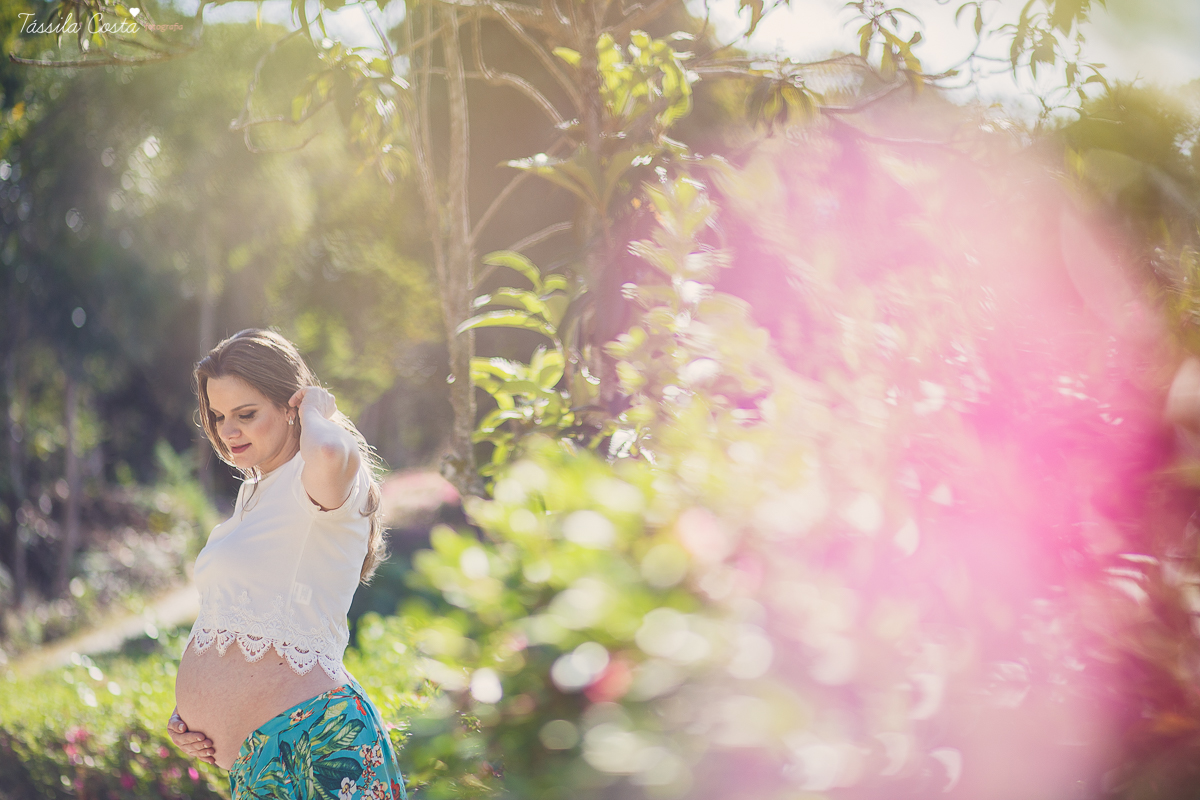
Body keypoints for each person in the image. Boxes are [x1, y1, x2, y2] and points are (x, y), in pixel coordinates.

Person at [166, 329, 407, 800]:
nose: (227, 431)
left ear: (289, 405)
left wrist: (317, 409)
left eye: (246, 414)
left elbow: (331, 450)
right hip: (261, 762)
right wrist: (192, 714)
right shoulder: (254, 492)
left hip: (316, 745)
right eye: (217, 416)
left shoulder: (321, 475)